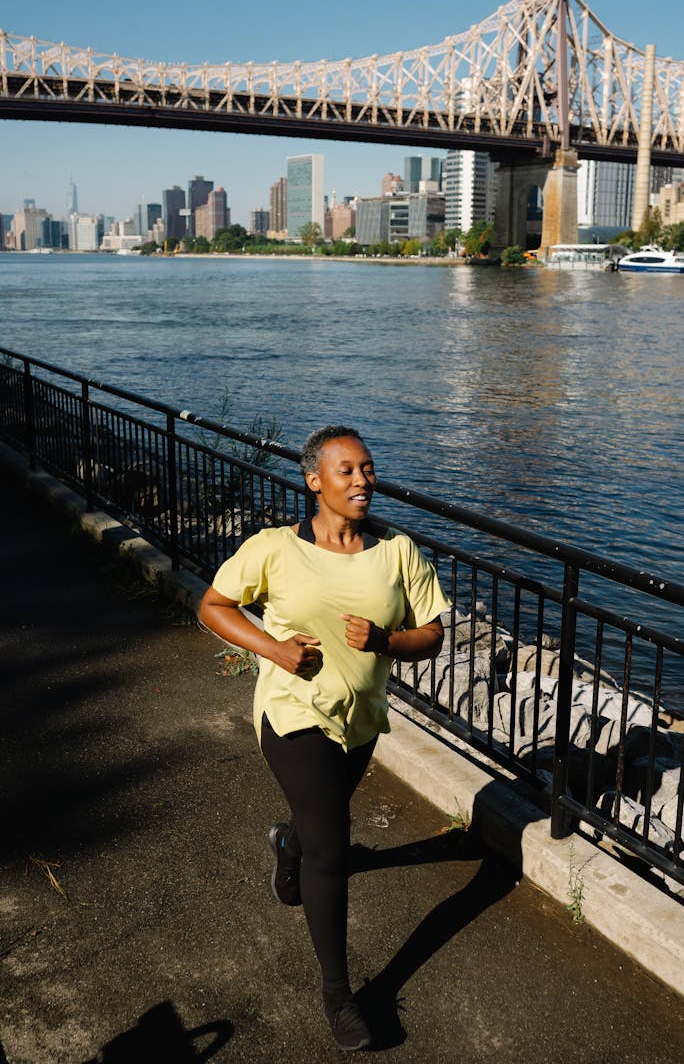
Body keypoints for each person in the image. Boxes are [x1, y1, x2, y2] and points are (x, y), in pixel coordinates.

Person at [199, 425, 450, 1052]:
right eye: (347, 471)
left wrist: (387, 641)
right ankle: (340, 996)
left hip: (360, 719)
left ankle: (288, 844)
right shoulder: (274, 549)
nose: (363, 481)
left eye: (368, 468)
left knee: (316, 831)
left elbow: (433, 634)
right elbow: (214, 606)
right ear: (315, 480)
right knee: (333, 847)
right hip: (292, 714)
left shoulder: (398, 551)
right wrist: (276, 650)